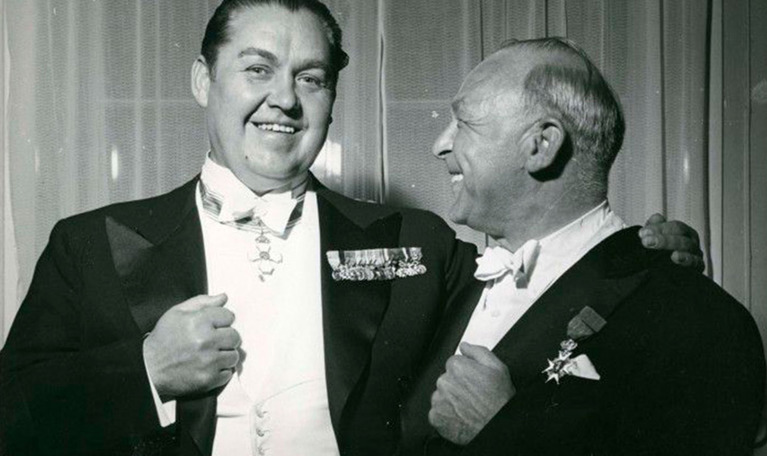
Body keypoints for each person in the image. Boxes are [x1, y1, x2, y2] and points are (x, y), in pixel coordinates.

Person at [0, 2, 703, 456]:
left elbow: (543, 280)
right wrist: (146, 372)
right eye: (256, 70)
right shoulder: (87, 244)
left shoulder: (418, 246)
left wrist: (641, 265)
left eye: (311, 78)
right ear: (200, 81)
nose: (283, 99)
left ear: (333, 100)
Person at [400, 38, 765, 456]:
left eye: (464, 123)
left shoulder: (697, 317)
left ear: (541, 145)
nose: (439, 145)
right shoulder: (452, 281)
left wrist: (508, 430)